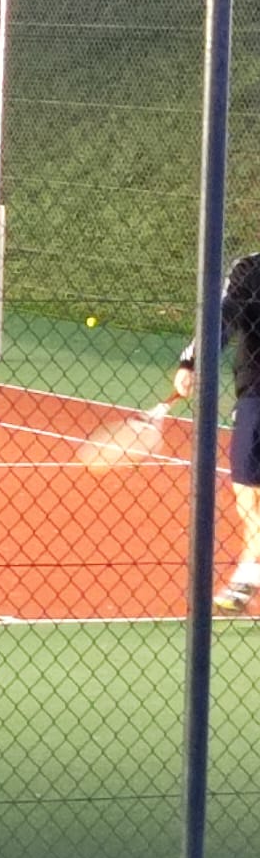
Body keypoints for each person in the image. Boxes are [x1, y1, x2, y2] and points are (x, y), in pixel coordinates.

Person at [173, 250, 260, 615]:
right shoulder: (250, 269)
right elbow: (222, 316)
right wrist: (193, 360)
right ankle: (249, 574)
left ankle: (246, 577)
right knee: (248, 492)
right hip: (257, 393)